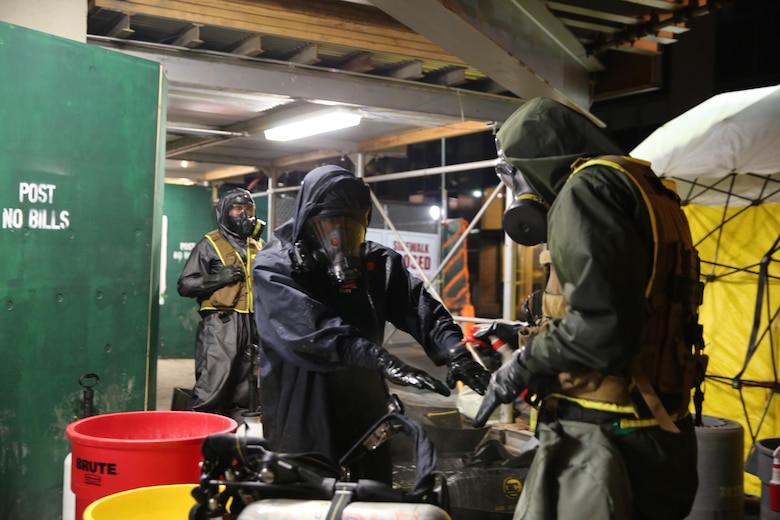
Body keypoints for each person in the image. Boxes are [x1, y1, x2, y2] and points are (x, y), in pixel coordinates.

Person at [473, 97, 708, 519]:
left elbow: (604, 329)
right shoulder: (642, 185)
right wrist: (530, 334)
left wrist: (524, 363)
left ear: (537, 161)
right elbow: (633, 303)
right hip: (659, 432)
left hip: (607, 439)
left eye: (514, 175)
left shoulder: (586, 191)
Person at [251, 164, 491, 484]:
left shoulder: (377, 263)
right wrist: (381, 359)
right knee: (308, 490)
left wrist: (455, 351)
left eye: (353, 225)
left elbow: (420, 307)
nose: (341, 237)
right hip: (303, 400)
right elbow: (312, 330)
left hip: (365, 398)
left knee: (372, 489)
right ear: (308, 222)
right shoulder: (276, 267)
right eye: (331, 224)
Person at [177, 187, 265, 422]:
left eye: (249, 209)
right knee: (212, 388)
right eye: (238, 208)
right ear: (225, 212)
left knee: (246, 393)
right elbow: (185, 285)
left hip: (253, 324)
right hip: (221, 325)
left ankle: (233, 443)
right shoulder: (210, 244)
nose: (245, 214)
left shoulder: (258, 245)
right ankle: (196, 437)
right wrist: (218, 278)